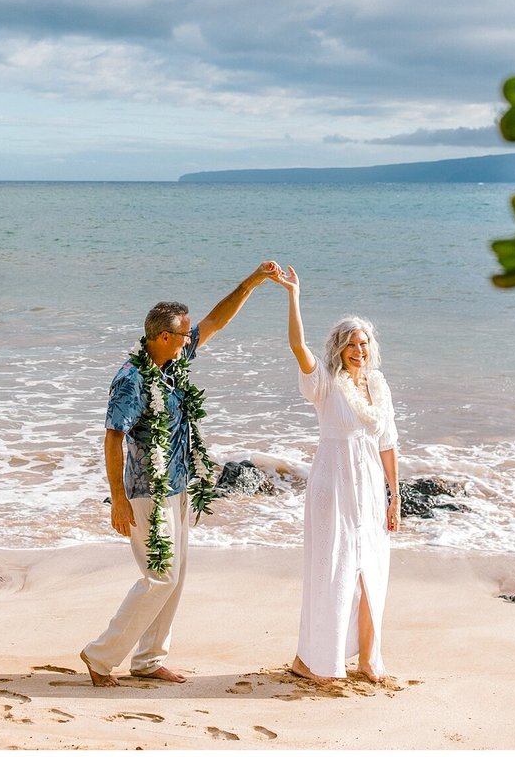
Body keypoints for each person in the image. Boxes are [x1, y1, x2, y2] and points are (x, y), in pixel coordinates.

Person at [80, 261, 283, 687]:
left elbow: (215, 322)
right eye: (183, 333)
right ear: (165, 336)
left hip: (177, 484)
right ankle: (100, 656)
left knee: (176, 578)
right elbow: (113, 438)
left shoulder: (173, 363)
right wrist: (116, 498)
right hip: (144, 491)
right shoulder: (130, 380)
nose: (191, 337)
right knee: (160, 576)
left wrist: (252, 281)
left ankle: (149, 660)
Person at [272, 265, 400, 683]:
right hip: (333, 488)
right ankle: (313, 660)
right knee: (334, 572)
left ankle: (366, 659)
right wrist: (294, 294)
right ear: (338, 348)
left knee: (372, 573)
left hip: (369, 493)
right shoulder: (325, 384)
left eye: (363, 343)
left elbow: (388, 444)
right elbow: (296, 344)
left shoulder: (379, 387)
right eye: (350, 344)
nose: (357, 350)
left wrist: (394, 495)